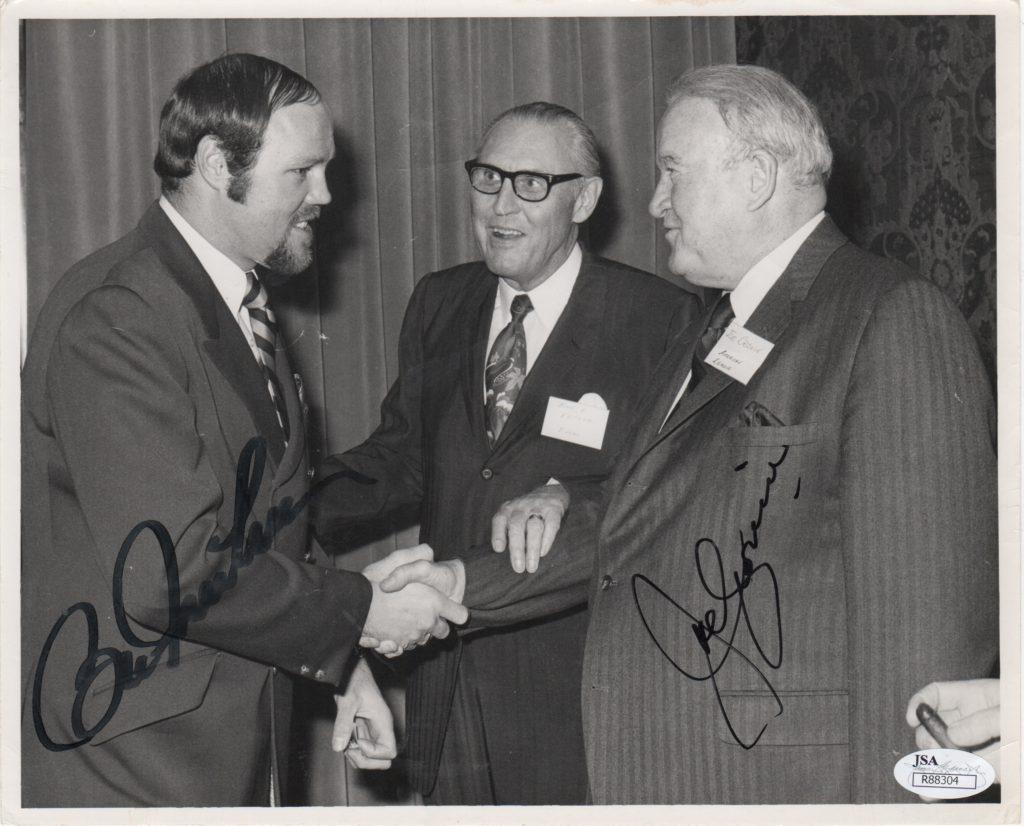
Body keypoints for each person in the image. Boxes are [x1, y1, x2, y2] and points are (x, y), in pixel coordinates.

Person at [378, 64, 999, 803]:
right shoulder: (713, 326)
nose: (655, 202)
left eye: (674, 173)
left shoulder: (888, 319)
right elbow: (637, 518)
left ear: (758, 177)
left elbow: (923, 658)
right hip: (667, 778)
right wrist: (458, 583)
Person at [20, 53, 466, 807]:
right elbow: (168, 572)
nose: (327, 195)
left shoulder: (231, 300)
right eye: (304, 172)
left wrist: (345, 662)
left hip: (218, 740)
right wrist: (359, 608)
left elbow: (266, 522)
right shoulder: (119, 315)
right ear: (218, 164)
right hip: (133, 762)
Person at [315, 102, 696, 804]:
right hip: (445, 685)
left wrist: (569, 496)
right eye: (488, 178)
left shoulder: (659, 321)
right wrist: (282, 503)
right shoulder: (440, 302)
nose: (499, 206)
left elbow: (669, 494)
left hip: (572, 699)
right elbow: (401, 462)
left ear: (583, 198)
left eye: (530, 184)